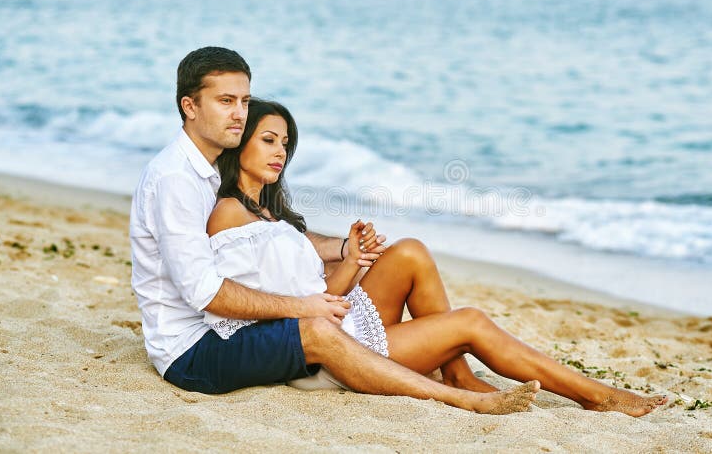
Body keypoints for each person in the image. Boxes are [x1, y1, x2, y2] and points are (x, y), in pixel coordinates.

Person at [129, 46, 539, 415]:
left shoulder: (210, 169)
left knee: (379, 273)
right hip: (193, 352)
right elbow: (206, 293)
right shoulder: (176, 180)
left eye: (243, 101)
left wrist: (341, 249)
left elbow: (264, 235)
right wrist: (304, 305)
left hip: (222, 330)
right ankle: (461, 398)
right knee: (316, 328)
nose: (238, 113)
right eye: (225, 101)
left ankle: (455, 374)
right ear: (190, 106)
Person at [206, 98, 669, 417]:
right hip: (326, 356)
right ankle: (597, 396)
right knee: (470, 322)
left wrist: (352, 254)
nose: (280, 152)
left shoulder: (266, 211)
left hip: (332, 322)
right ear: (240, 141)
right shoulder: (230, 213)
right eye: (268, 140)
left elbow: (310, 290)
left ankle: (458, 372)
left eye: (285, 143)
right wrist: (347, 265)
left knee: (409, 251)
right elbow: (293, 309)